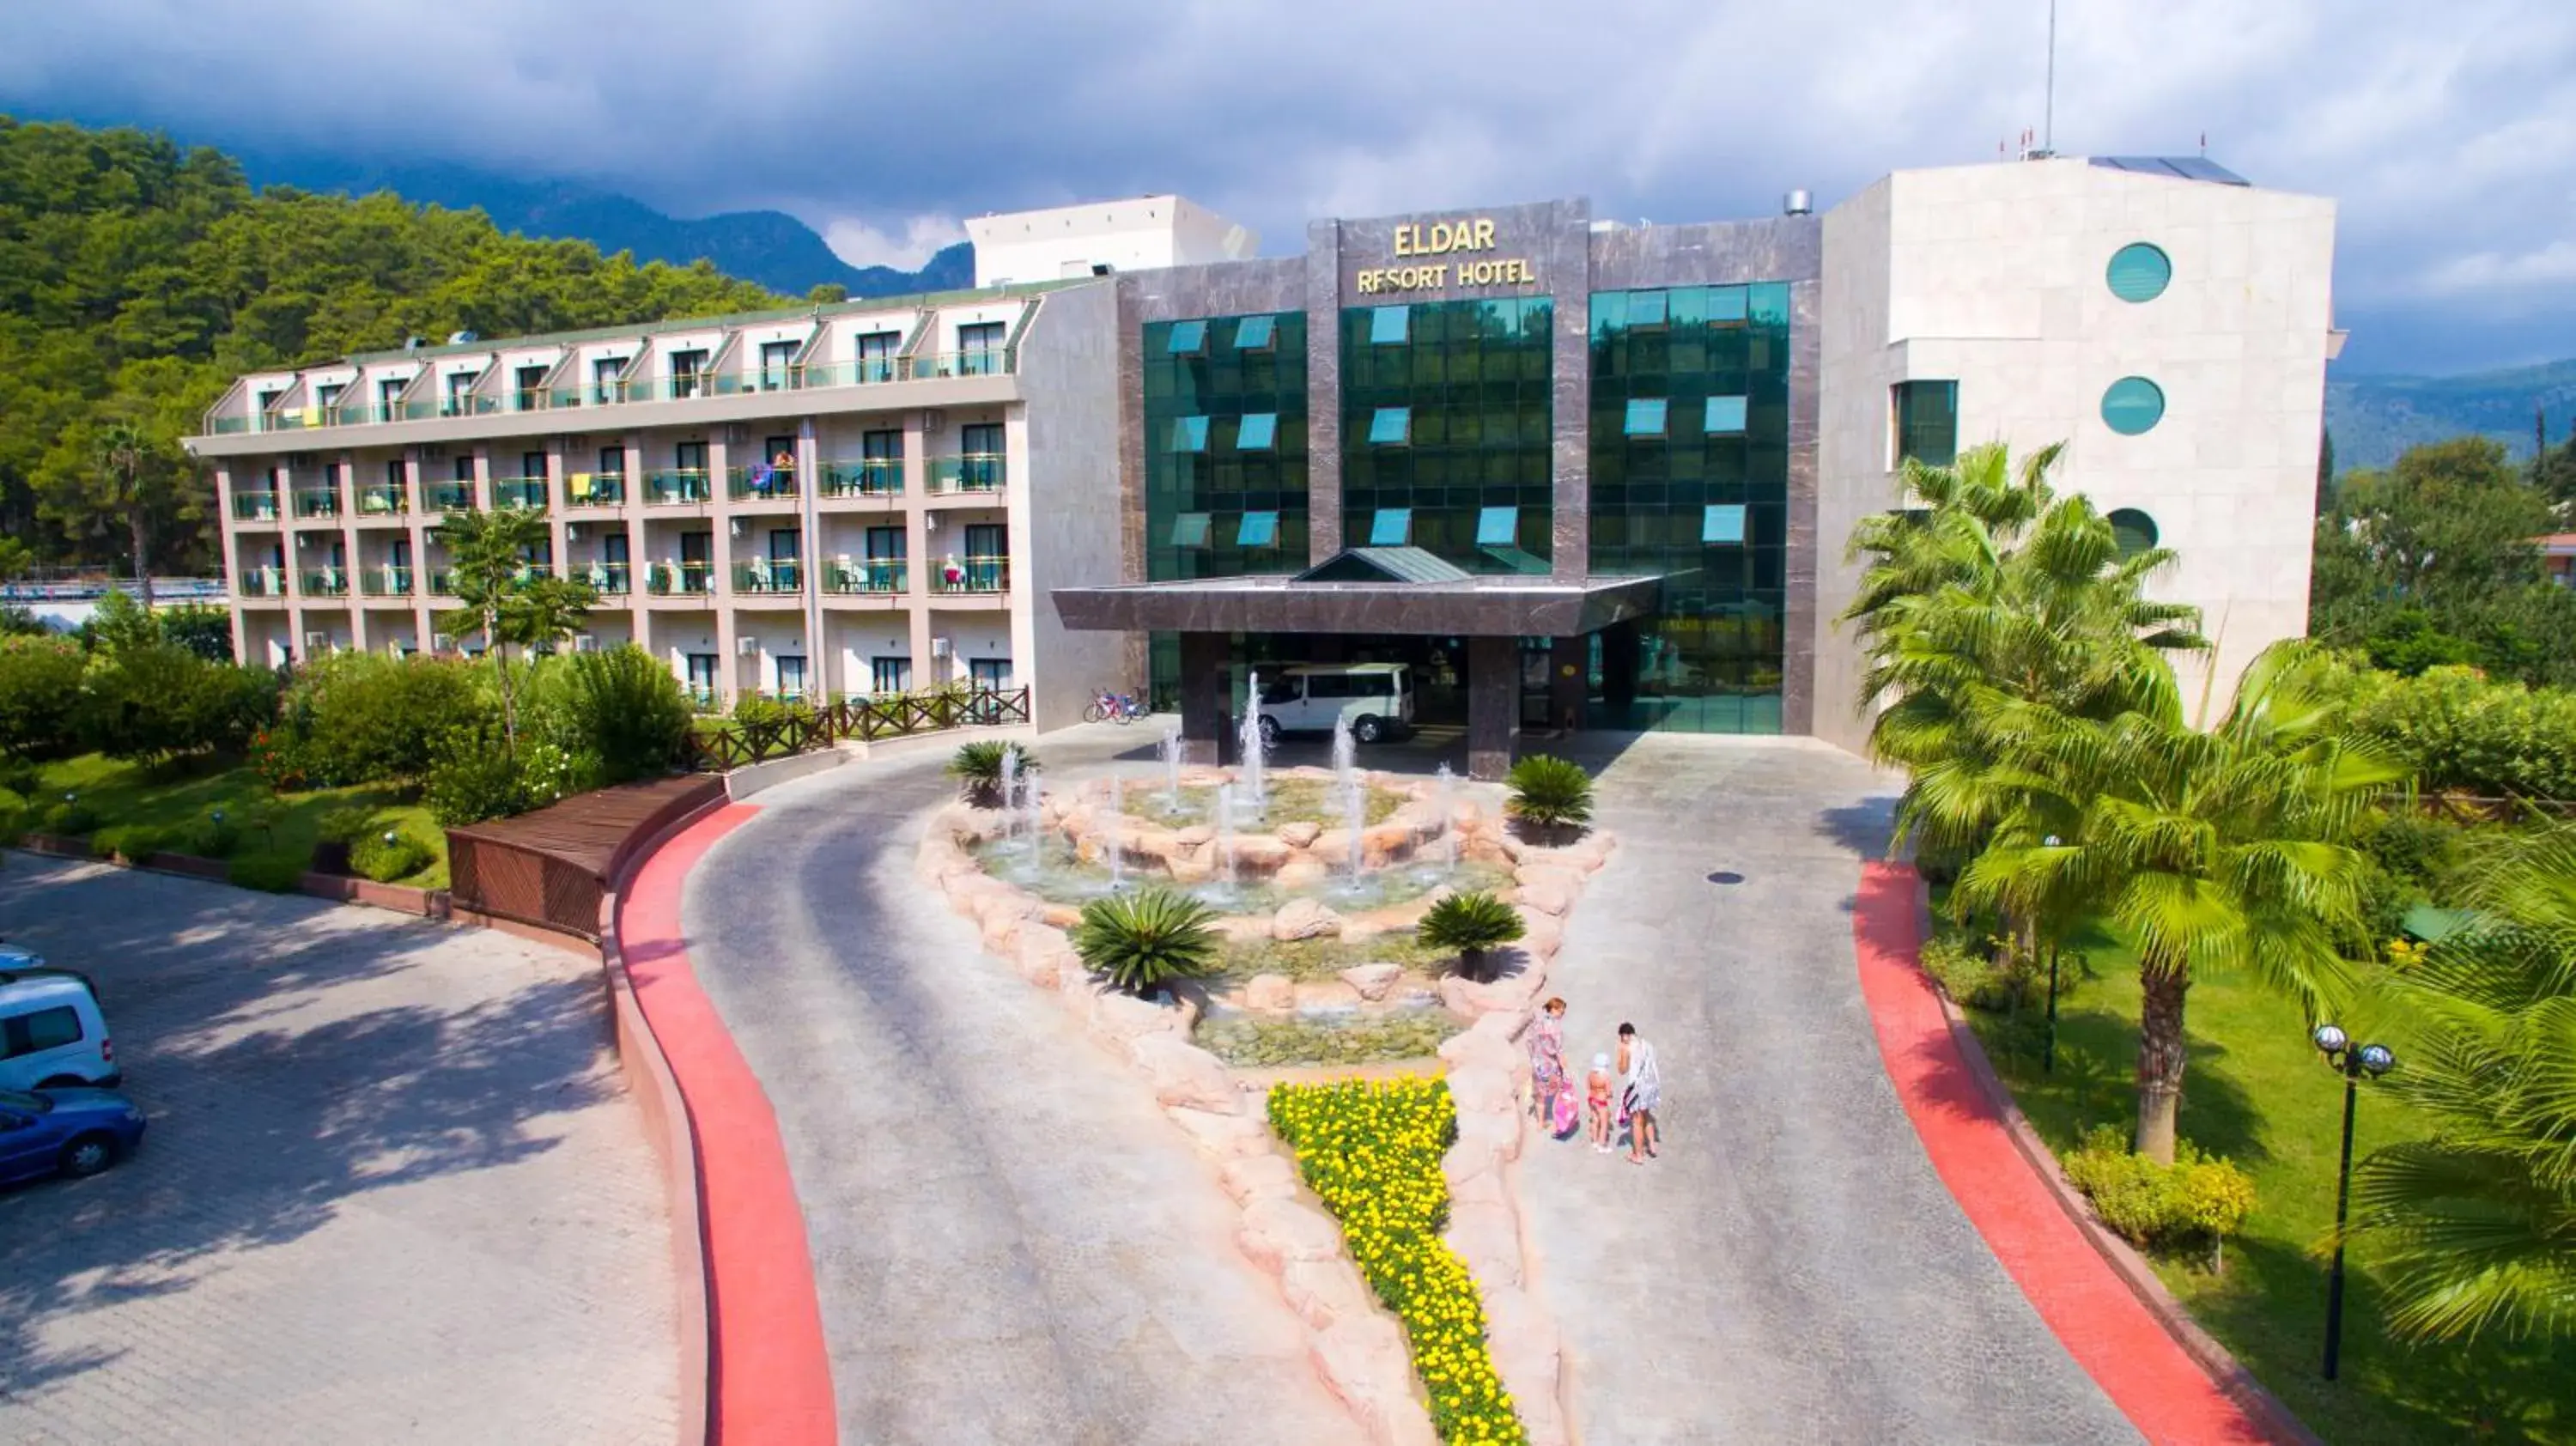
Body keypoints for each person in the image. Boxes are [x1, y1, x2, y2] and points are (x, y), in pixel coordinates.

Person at [1618, 1022, 1662, 1164]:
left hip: (1638, 1088)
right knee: (1646, 1115)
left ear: (1625, 1036)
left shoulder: (1627, 1047)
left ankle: (1638, 1155)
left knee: (1636, 1121)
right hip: (1652, 1085)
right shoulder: (1646, 1044)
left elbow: (1622, 1070)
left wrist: (1622, 1052)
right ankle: (1652, 1147)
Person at [1528, 998, 1571, 1138]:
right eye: (1561, 1012)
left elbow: (1528, 1041)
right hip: (1550, 1066)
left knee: (1540, 1095)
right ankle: (1557, 1122)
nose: (1562, 1015)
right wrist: (1566, 1068)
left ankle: (1540, 1123)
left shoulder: (1537, 1022)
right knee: (1557, 1093)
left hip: (1537, 1064)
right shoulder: (1555, 1027)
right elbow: (1559, 1050)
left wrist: (1533, 1057)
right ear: (1554, 1009)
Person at [1584, 1052, 1616, 1153]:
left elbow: (1588, 1087)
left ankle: (1594, 1141)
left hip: (1592, 1099)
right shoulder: (1606, 1076)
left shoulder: (1590, 1074)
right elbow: (1608, 1092)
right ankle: (1602, 1145)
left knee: (1595, 1120)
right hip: (1601, 1102)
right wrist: (1610, 1095)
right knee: (1604, 1123)